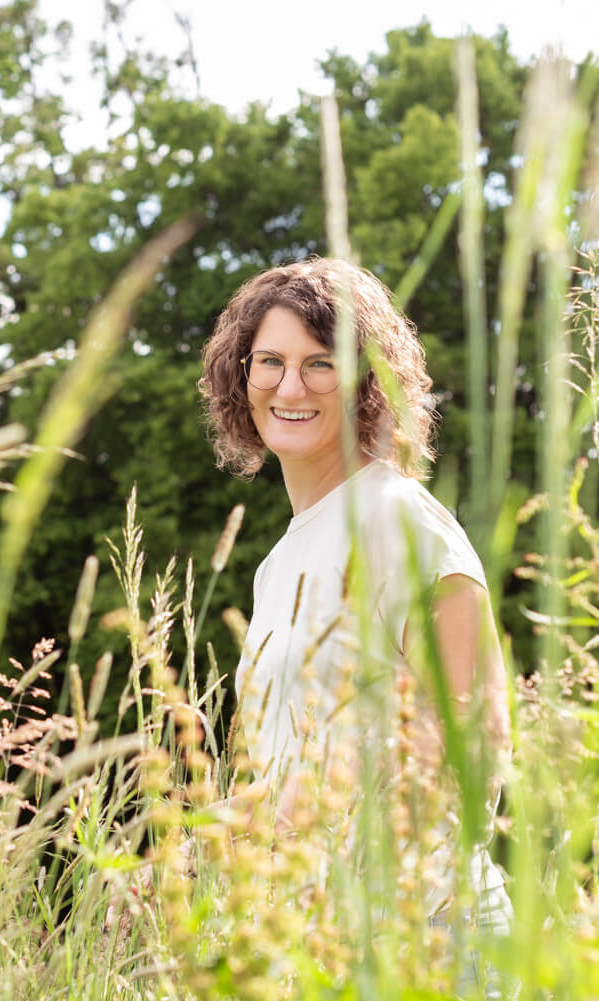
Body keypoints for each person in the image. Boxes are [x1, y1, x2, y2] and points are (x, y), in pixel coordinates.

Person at [197, 257, 513, 982]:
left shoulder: (401, 520)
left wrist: (316, 815)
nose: (290, 386)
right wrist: (194, 848)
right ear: (241, 379)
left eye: (320, 364)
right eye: (269, 362)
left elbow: (474, 740)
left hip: (432, 936)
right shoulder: (277, 564)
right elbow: (289, 766)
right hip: (326, 943)